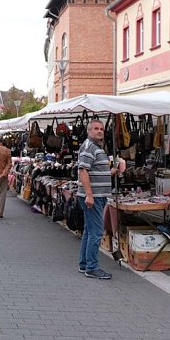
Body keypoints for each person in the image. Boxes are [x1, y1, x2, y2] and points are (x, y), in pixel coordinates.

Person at [77, 119, 118, 280]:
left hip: (96, 196)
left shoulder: (96, 147)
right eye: (96, 128)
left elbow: (94, 171)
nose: (100, 131)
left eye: (101, 129)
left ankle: (84, 264)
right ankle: (92, 267)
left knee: (89, 231)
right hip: (94, 197)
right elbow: (83, 171)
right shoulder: (89, 147)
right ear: (89, 131)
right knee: (96, 232)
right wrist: (89, 194)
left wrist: (112, 171)